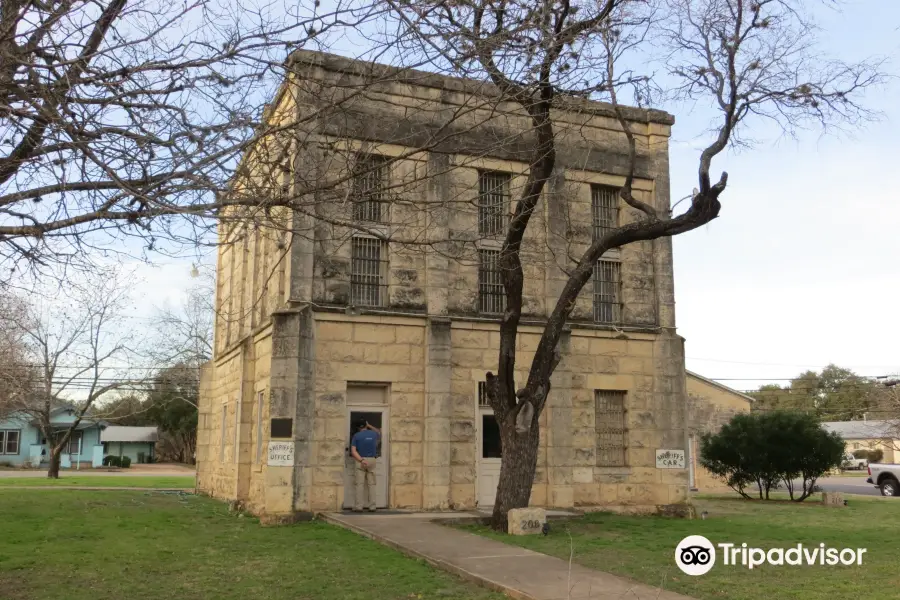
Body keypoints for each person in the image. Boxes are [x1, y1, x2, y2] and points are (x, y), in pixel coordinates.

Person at [350, 419, 381, 512]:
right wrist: (370, 425)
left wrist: (361, 460)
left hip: (361, 460)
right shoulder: (373, 434)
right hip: (372, 460)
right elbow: (379, 431)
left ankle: (359, 506)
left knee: (359, 484)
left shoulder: (356, 436)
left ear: (358, 427)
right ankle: (372, 506)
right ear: (365, 425)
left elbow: (353, 451)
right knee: (371, 484)